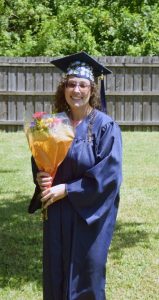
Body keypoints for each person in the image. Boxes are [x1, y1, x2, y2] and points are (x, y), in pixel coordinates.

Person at [29, 52, 122, 300]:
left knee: (87, 275)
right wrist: (41, 178)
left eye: (83, 84)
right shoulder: (53, 124)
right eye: (71, 84)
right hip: (58, 213)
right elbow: (41, 160)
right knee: (56, 273)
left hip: (89, 217)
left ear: (92, 89)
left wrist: (68, 189)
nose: (76, 90)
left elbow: (109, 175)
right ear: (64, 88)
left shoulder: (105, 126)